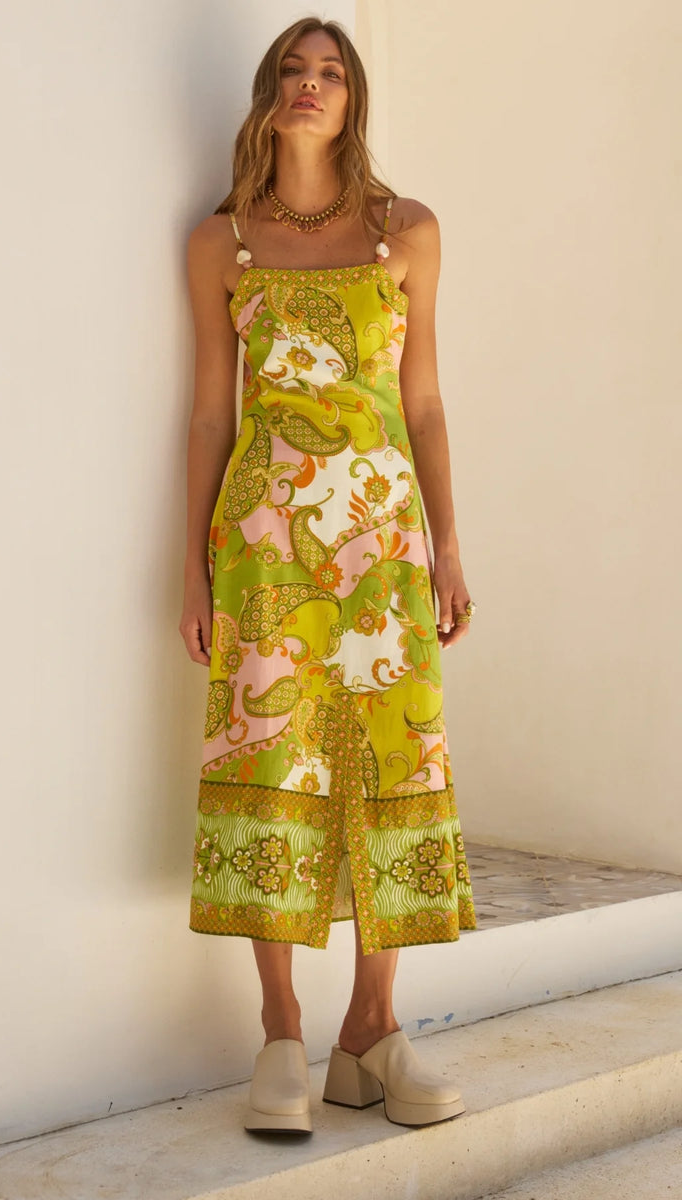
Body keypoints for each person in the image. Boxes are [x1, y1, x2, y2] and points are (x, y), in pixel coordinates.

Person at [180, 16, 477, 1135]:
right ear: (266, 97)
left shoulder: (406, 231)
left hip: (385, 546)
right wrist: (195, 569)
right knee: (275, 761)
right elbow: (212, 410)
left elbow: (426, 401)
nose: (311, 88)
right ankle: (281, 1033)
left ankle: (372, 1032)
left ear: (352, 102)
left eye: (331, 74)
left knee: (392, 765)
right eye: (293, 73)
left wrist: (446, 544)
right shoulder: (222, 243)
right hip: (261, 549)